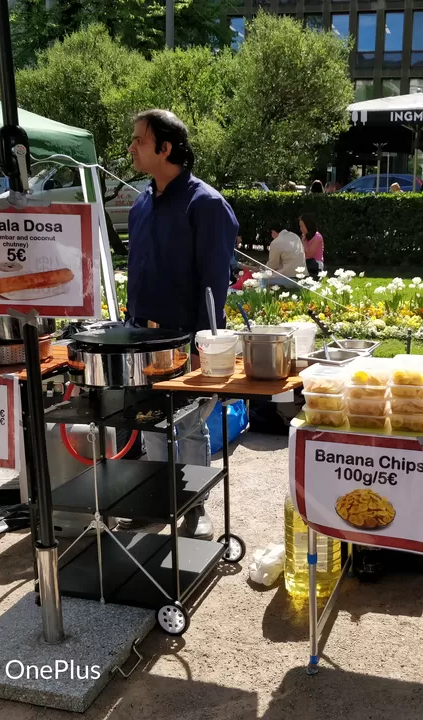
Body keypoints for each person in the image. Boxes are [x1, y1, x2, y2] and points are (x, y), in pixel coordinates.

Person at [126, 109, 238, 539]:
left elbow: (214, 282)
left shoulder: (205, 204)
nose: (132, 147)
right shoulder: (141, 202)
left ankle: (195, 506)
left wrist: (201, 343)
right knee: (151, 420)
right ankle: (160, 498)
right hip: (141, 336)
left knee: (188, 426)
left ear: (166, 148)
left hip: (187, 340)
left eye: (139, 140)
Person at [265, 224, 305, 289]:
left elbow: (272, 265)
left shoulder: (276, 242)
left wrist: (263, 270)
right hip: (302, 277)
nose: (272, 237)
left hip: (288, 279)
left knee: (261, 280)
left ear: (273, 232)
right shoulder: (295, 236)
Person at [300, 212, 324, 279]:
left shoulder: (317, 237)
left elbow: (310, 254)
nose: (300, 228)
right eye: (300, 226)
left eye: (302, 226)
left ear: (308, 225)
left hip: (315, 264)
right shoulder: (305, 236)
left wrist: (303, 241)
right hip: (306, 263)